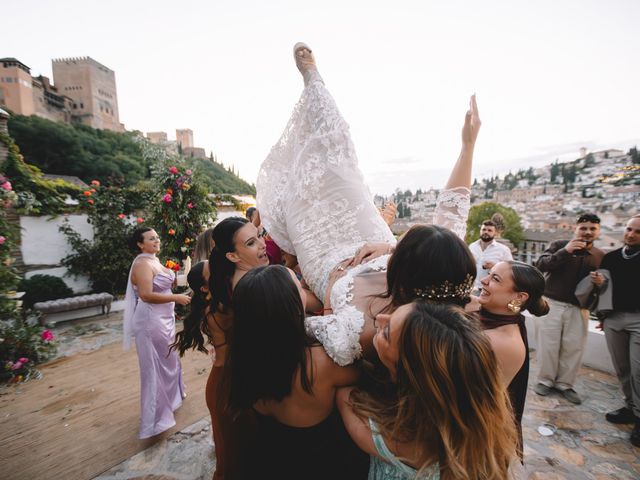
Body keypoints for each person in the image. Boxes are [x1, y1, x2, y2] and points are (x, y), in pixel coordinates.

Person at [257, 42, 480, 365]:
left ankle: (313, 86)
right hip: (368, 237)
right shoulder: (444, 267)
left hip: (326, 258)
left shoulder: (365, 329)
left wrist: (320, 300)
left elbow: (302, 327)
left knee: (291, 195)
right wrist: (468, 146)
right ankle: (315, 82)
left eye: (402, 248)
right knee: (340, 161)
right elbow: (452, 209)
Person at [337, 302, 519, 479]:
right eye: (392, 313)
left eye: (386, 333)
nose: (379, 318)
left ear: (408, 372)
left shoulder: (396, 439)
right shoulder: (484, 425)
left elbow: (344, 394)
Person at [225, 265, 368, 479]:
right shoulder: (319, 363)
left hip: (273, 457)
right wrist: (329, 308)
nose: (303, 288)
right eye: (298, 287)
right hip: (322, 463)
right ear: (289, 305)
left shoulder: (243, 355)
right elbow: (367, 374)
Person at [123, 227, 191, 439]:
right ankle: (155, 420)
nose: (157, 240)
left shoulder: (154, 259)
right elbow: (146, 295)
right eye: (151, 238)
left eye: (157, 237)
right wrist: (176, 299)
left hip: (164, 320)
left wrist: (185, 280)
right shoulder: (142, 263)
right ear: (140, 244)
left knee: (168, 360)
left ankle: (171, 401)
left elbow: (165, 285)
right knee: (154, 367)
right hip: (150, 322)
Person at [477, 260, 549, 457]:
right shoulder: (481, 311)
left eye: (495, 279)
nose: (484, 280)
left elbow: (478, 402)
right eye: (488, 274)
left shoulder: (505, 342)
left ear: (519, 297)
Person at [534, 212, 604, 404]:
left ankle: (565, 384)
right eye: (583, 228)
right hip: (551, 304)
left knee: (573, 348)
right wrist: (565, 251)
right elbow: (541, 265)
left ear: (598, 231)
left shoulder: (600, 255)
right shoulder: (559, 246)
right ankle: (545, 380)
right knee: (548, 345)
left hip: (579, 308)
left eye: (592, 229)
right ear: (575, 229)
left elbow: (605, 286)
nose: (587, 232)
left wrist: (601, 282)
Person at [591, 214, 640, 447]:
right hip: (613, 319)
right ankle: (630, 408)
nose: (630, 234)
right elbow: (605, 292)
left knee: (639, 370)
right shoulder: (611, 258)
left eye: (637, 231)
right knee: (622, 368)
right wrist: (602, 288)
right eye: (629, 229)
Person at [469, 219, 513, 291]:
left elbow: (510, 271)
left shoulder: (504, 250)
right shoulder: (472, 246)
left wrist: (495, 267)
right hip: (471, 288)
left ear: (495, 233)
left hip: (490, 290)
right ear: (480, 231)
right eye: (484, 229)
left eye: (489, 230)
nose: (486, 232)